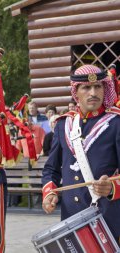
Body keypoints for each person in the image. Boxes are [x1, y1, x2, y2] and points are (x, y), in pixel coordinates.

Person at [42, 65, 120, 241]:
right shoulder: (63, 125)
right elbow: (51, 170)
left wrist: (112, 188)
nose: (93, 92)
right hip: (71, 219)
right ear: (76, 92)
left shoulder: (116, 123)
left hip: (107, 220)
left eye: (98, 86)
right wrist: (50, 192)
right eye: (86, 87)